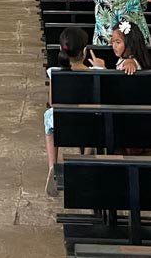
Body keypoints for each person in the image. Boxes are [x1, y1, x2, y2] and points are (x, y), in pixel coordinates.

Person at [44, 26, 106, 196]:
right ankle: (85, 159)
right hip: (90, 121)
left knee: (48, 118)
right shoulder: (97, 73)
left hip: (64, 121)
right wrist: (102, 68)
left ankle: (53, 166)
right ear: (84, 51)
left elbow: (52, 102)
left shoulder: (55, 73)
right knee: (97, 117)